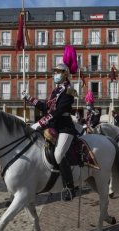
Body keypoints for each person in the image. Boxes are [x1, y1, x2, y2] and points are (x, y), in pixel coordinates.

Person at [22, 60, 78, 200]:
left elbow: (58, 112)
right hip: (53, 126)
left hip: (65, 127)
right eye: (55, 72)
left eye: (57, 72)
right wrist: (30, 99)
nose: (55, 74)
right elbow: (47, 108)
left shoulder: (68, 90)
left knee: (59, 154)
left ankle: (70, 187)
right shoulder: (56, 91)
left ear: (65, 74)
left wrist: (39, 123)